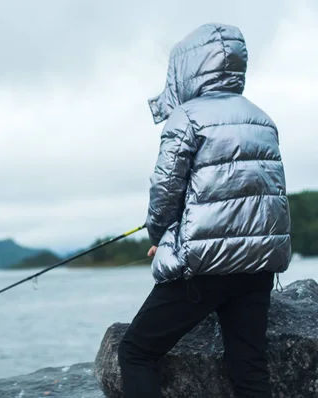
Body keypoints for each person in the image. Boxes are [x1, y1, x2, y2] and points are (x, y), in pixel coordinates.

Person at [117, 23, 292, 398]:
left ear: (188, 67)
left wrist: (161, 236)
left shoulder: (186, 117)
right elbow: (268, 195)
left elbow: (165, 191)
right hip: (258, 268)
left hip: (204, 266)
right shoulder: (263, 119)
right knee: (248, 369)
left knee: (134, 351)